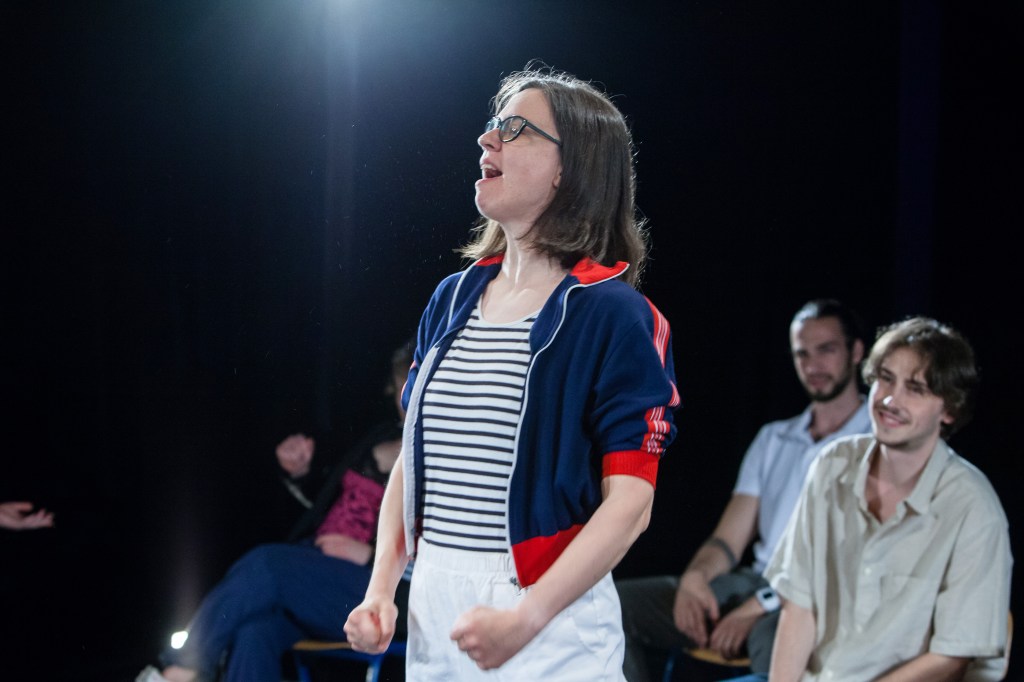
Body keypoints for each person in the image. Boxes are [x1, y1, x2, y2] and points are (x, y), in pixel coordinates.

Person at [344, 65, 680, 680]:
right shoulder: (451, 297)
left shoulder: (615, 314)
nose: (487, 139)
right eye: (494, 124)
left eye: (517, 128)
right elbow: (414, 462)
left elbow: (631, 505)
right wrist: (380, 590)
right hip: (434, 606)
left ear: (569, 168)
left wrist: (527, 618)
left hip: (550, 621)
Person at [616, 299, 872, 680]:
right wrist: (695, 577)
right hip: (754, 581)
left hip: (815, 595)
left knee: (779, 641)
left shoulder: (875, 441)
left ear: (856, 351)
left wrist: (762, 604)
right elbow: (729, 539)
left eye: (826, 350)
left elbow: (845, 559)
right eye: (802, 353)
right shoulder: (775, 438)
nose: (813, 365)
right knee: (617, 605)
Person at [135, 340, 413, 682]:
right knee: (255, 631)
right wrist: (302, 472)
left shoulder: (439, 449)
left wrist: (369, 555)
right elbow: (327, 501)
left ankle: (178, 671)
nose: (407, 392)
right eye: (402, 382)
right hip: (319, 569)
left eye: (415, 380)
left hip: (379, 587)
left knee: (267, 565)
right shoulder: (379, 436)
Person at [763, 317, 1011, 682]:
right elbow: (799, 605)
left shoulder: (973, 507)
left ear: (949, 410)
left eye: (915, 388)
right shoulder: (832, 465)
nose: (891, 400)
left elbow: (951, 656)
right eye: (885, 378)